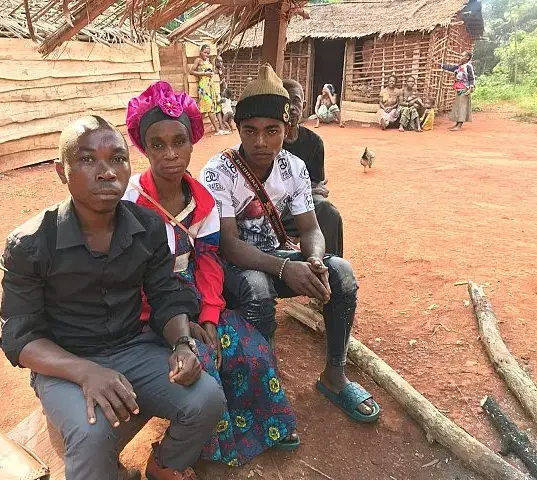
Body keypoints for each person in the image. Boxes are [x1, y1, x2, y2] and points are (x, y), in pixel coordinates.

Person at [0, 115, 226, 480]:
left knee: (206, 398)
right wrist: (85, 371)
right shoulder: (31, 244)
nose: (106, 172)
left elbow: (166, 294)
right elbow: (19, 337)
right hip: (66, 361)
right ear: (62, 171)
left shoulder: (149, 227)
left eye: (117, 159)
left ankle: (164, 465)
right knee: (91, 434)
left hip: (133, 346)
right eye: (88, 160)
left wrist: (182, 344)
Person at [123, 81, 299, 466]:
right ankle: (208, 447)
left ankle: (265, 426)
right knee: (201, 356)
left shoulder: (202, 198)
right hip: (149, 301)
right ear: (143, 146)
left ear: (192, 143)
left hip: (193, 292)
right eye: (157, 144)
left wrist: (209, 314)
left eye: (179, 142)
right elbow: (133, 277)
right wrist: (184, 323)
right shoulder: (131, 200)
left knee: (247, 345)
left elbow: (206, 261)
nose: (170, 154)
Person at [200, 64, 380, 423]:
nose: (260, 142)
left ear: (288, 129)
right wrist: (286, 267)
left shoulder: (294, 167)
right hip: (233, 267)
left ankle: (334, 375)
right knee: (257, 288)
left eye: (272, 131)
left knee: (340, 272)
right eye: (250, 131)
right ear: (238, 130)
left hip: (276, 257)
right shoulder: (218, 171)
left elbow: (311, 228)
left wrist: (313, 260)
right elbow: (230, 246)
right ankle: (267, 391)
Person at [281, 79, 344, 257]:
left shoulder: (314, 142)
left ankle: (330, 268)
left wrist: (310, 189)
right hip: (274, 208)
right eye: (286, 102)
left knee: (328, 212)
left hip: (302, 207)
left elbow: (316, 187)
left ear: (305, 104)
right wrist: (309, 188)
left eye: (296, 101)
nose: (292, 107)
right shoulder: (271, 141)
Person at [190, 44, 226, 135]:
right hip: (203, 86)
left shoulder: (209, 61)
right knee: (208, 107)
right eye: (205, 52)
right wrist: (204, 74)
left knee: (211, 107)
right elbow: (192, 71)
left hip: (210, 85)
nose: (206, 54)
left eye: (208, 53)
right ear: (200, 52)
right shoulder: (198, 60)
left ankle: (195, 129)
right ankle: (217, 130)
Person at [442, 51, 476, 131]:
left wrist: (471, 88)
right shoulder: (460, 66)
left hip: (465, 89)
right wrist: (441, 65)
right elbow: (451, 68)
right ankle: (457, 124)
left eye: (462, 56)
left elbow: (471, 78)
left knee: (462, 108)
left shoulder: (468, 66)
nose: (460, 57)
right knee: (458, 107)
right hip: (459, 89)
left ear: (467, 57)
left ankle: (459, 125)